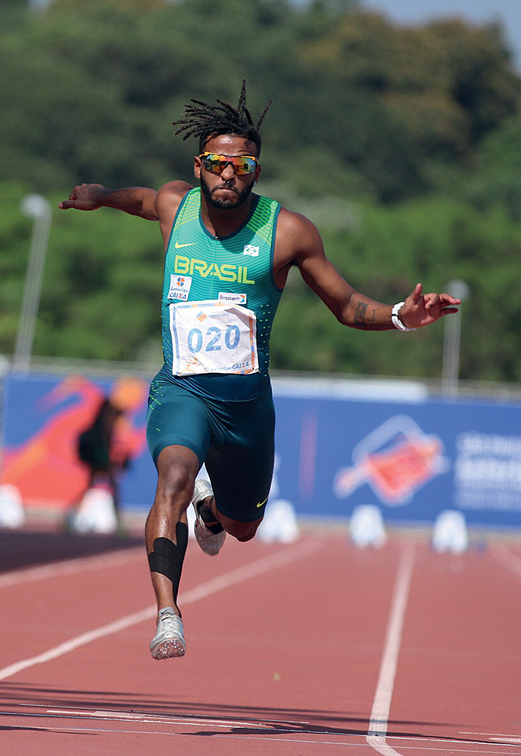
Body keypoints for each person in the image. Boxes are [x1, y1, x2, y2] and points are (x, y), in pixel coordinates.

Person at [59, 81, 460, 661]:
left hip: (247, 406)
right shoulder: (177, 205)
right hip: (182, 388)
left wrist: (401, 315)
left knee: (243, 524)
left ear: (256, 171)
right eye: (218, 164)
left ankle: (211, 511)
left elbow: (347, 307)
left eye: (241, 166)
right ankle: (167, 614)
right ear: (199, 167)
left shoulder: (289, 231)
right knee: (171, 476)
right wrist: (101, 196)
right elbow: (140, 198)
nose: (228, 175)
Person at [72, 397, 127, 527]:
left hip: (99, 461)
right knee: (89, 488)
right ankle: (74, 515)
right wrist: (107, 464)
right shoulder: (98, 431)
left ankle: (118, 520)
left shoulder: (106, 430)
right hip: (94, 460)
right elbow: (98, 452)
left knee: (107, 487)